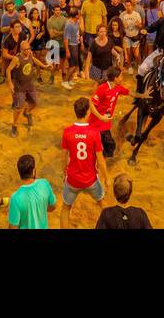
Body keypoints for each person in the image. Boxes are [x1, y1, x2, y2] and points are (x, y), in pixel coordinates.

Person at [60, 97, 110, 229]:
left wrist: (63, 173)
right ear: (88, 112)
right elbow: (100, 160)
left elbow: (64, 157)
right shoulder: (94, 133)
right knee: (102, 204)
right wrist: (106, 179)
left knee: (65, 208)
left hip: (72, 180)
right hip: (91, 180)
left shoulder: (67, 132)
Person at [7, 153, 58, 229]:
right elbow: (53, 206)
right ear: (33, 171)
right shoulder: (45, 184)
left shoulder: (15, 198)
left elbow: (13, 227)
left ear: (20, 174)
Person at [6, 39, 41, 137]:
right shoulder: (17, 59)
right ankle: (14, 125)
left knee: (35, 102)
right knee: (18, 108)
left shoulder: (30, 54)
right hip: (19, 88)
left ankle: (27, 112)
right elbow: (8, 70)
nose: (27, 51)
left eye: (28, 49)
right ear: (21, 50)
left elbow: (35, 60)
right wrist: (10, 83)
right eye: (25, 50)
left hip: (29, 85)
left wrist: (45, 66)